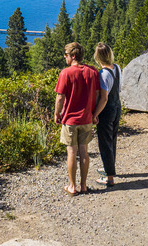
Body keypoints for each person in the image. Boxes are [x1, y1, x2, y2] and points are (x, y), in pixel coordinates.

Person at [54, 42, 101, 196]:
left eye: (66, 55)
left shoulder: (66, 73)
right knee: (84, 152)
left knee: (71, 152)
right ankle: (84, 185)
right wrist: (94, 114)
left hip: (70, 120)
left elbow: (60, 97)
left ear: (73, 56)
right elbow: (97, 95)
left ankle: (72, 186)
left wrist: (57, 114)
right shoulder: (92, 71)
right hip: (87, 119)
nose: (64, 57)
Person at [93, 42, 121, 187]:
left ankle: (109, 177)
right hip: (117, 107)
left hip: (107, 110)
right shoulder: (116, 67)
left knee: (105, 143)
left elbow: (103, 98)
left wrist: (95, 114)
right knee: (112, 140)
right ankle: (109, 167)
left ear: (97, 57)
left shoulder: (102, 74)